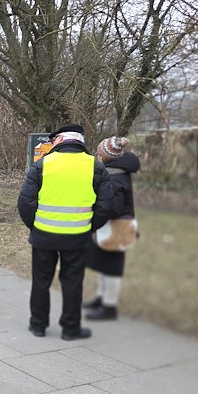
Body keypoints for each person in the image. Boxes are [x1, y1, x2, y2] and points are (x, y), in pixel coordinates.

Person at [17, 123, 115, 341]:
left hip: (44, 236)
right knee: (72, 282)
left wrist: (34, 226)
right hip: (77, 238)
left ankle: (38, 325)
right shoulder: (95, 167)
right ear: (80, 141)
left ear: (60, 140)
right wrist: (89, 226)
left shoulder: (42, 165)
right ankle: (70, 329)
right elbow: (106, 205)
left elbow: (25, 202)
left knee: (41, 281)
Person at [83, 136, 140, 320]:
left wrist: (97, 211)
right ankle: (101, 297)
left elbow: (113, 207)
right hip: (113, 224)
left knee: (112, 267)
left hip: (117, 225)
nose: (97, 155)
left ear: (106, 156)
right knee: (103, 263)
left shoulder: (115, 176)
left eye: (99, 152)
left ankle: (109, 306)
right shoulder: (116, 170)